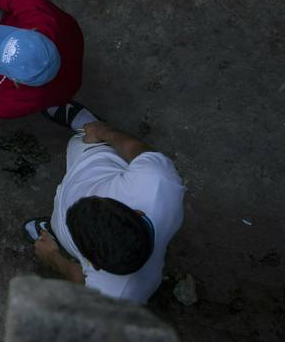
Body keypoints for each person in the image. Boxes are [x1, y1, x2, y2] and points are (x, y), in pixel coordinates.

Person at [23, 101, 185, 304]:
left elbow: (78, 279)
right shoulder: (157, 183)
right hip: (98, 159)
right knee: (82, 138)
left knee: (59, 225)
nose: (84, 198)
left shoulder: (118, 295)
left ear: (92, 265)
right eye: (98, 201)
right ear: (138, 213)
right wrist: (102, 130)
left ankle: (56, 231)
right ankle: (89, 122)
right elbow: (138, 150)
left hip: (84, 174)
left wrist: (54, 257)